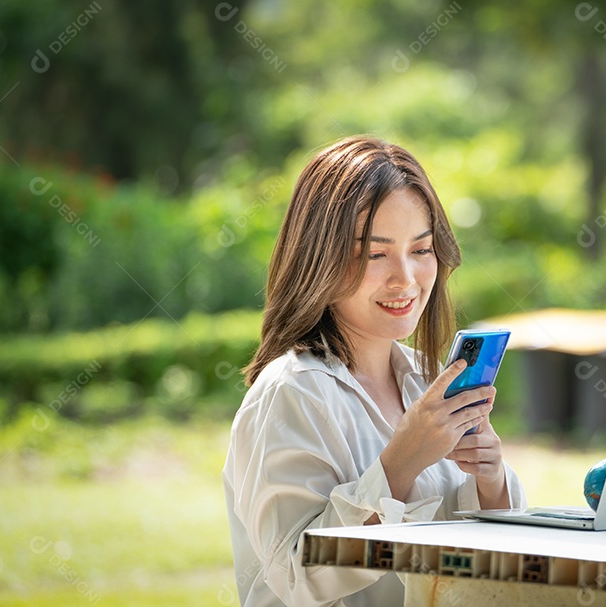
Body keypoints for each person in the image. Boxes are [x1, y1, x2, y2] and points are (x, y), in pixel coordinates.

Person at [223, 136, 527, 607]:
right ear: (318, 258)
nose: (405, 278)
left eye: (421, 250)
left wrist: (490, 480)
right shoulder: (291, 392)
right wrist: (399, 464)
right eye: (374, 254)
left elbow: (484, 568)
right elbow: (295, 577)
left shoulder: (428, 379)